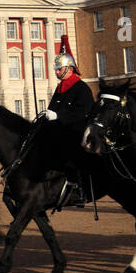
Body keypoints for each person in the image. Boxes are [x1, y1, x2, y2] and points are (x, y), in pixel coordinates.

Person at [37, 35, 95, 203]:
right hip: (59, 129)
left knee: (70, 149)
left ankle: (79, 187)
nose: (56, 71)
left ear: (69, 69)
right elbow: (53, 109)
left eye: (59, 68)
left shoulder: (81, 88)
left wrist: (59, 116)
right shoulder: (60, 88)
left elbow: (83, 112)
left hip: (76, 130)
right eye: (56, 68)